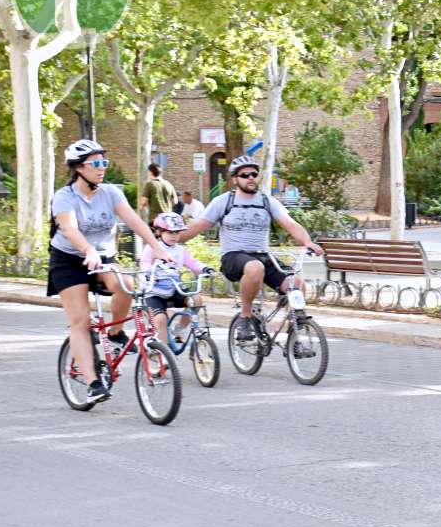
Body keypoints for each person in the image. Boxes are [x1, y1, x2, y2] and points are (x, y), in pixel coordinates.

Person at [49, 140, 173, 404]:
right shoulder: (64, 196)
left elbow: (134, 220)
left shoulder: (110, 193)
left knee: (126, 284)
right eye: (96, 163)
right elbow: (69, 229)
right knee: (81, 321)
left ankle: (115, 333)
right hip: (68, 260)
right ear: (79, 168)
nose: (102, 168)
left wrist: (157, 248)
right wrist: (87, 250)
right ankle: (94, 383)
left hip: (103, 258)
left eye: (103, 162)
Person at [179, 155, 323, 340]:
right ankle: (245, 317)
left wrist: (307, 241)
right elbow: (198, 227)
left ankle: (295, 335)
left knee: (296, 283)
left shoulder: (266, 201)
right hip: (233, 256)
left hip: (262, 255)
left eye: (254, 174)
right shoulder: (223, 202)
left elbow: (290, 224)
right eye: (244, 174)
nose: (250, 178)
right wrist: (171, 240)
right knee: (255, 267)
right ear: (235, 179)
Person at [140, 212, 211, 344]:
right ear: (160, 232)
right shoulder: (153, 247)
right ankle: (163, 355)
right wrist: (148, 273)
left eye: (177, 232)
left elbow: (193, 263)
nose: (174, 236)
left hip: (173, 289)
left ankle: (180, 328)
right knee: (161, 320)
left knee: (196, 299)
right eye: (170, 232)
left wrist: (205, 268)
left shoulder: (179, 250)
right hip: (154, 292)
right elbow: (144, 263)